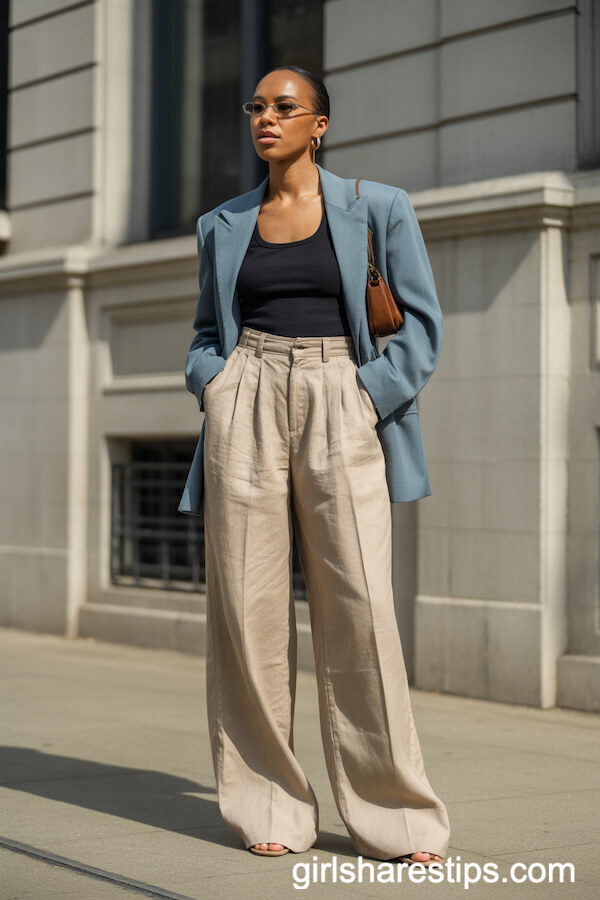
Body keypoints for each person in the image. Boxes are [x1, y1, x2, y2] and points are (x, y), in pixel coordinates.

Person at [178, 64, 450, 867]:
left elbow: (422, 328)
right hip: (247, 395)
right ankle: (268, 800)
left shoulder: (380, 209)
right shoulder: (221, 223)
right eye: (256, 106)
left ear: (318, 125)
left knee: (361, 606)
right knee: (248, 610)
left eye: (284, 107)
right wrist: (217, 385)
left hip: (343, 395)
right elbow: (203, 332)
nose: (267, 117)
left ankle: (395, 816)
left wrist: (367, 396)